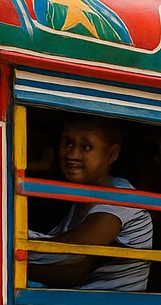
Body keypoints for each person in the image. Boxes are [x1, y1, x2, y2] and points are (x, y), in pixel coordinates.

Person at [28, 116, 153, 291]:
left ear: (112, 154)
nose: (72, 154)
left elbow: (74, 260)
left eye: (86, 147)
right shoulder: (80, 203)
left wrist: (17, 260)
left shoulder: (122, 198)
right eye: (67, 143)